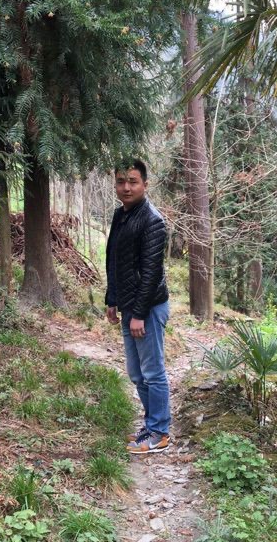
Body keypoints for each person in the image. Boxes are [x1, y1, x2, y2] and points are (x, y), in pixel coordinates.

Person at [105, 159, 171, 454]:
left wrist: (139, 314)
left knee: (153, 372)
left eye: (133, 181)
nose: (126, 187)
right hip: (129, 305)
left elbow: (151, 272)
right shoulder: (121, 214)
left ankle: (160, 432)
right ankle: (150, 425)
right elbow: (114, 260)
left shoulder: (152, 220)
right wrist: (112, 299)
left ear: (145, 184)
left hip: (148, 308)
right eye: (121, 181)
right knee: (137, 373)